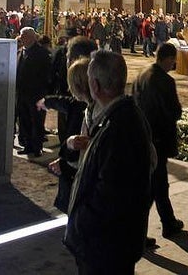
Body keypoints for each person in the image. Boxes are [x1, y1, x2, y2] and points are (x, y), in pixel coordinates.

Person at [63, 50, 153, 274]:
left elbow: (109, 195)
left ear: (94, 85)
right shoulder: (118, 118)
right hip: (111, 243)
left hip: (105, 246)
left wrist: (79, 224)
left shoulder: (119, 126)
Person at [132, 42, 187, 240]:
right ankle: (140, 231)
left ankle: (168, 222)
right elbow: (173, 111)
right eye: (174, 60)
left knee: (156, 184)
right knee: (156, 185)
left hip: (143, 136)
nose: (174, 64)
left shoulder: (141, 75)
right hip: (159, 137)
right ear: (169, 58)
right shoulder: (164, 81)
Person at [40, 57, 91, 212]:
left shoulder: (86, 111)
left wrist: (63, 163)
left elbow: (82, 152)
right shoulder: (84, 106)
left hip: (81, 188)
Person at [14, 26, 51, 158]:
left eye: (23, 36)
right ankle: (27, 145)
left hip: (36, 93)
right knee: (24, 120)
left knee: (36, 121)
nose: (21, 38)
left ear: (31, 37)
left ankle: (37, 147)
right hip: (22, 93)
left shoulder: (41, 53)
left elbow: (46, 74)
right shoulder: (20, 52)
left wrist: (44, 91)